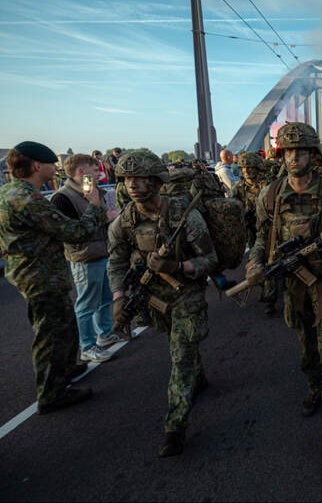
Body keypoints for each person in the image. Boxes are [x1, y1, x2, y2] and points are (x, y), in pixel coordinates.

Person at [247, 122, 322, 474]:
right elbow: (259, 238)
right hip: (293, 289)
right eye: (288, 151)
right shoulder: (268, 196)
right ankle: (313, 388)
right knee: (306, 353)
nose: (294, 157)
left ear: (313, 155)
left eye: (301, 151)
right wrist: (255, 263)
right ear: (280, 155)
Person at [0, 141, 107, 414]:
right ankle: (51, 394)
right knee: (50, 332)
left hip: (28, 272)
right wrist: (95, 207)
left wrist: (8, 248)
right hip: (42, 276)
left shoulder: (3, 194)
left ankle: (65, 369)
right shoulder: (30, 199)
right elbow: (75, 233)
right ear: (37, 166)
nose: (55, 168)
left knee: (64, 324)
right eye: (51, 164)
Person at [107, 150, 218, 458]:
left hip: (185, 292)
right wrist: (118, 298)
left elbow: (210, 259)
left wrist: (178, 268)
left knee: (180, 354)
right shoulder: (124, 221)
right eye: (128, 179)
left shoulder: (184, 215)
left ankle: (175, 427)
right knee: (176, 341)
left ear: (156, 181)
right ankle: (199, 376)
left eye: (139, 178)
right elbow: (115, 262)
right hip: (154, 298)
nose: (132, 185)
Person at [51, 154, 121, 364]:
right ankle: (87, 345)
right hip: (84, 257)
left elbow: (99, 220)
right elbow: (73, 232)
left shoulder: (91, 192)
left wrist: (108, 216)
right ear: (80, 171)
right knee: (87, 303)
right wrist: (102, 215)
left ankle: (104, 334)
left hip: (101, 251)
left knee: (104, 298)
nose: (98, 173)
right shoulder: (62, 198)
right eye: (93, 170)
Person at [230, 152, 277, 315]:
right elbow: (232, 208)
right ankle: (265, 289)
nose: (247, 171)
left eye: (250, 167)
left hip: (269, 227)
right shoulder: (238, 187)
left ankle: (269, 297)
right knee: (256, 260)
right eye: (244, 168)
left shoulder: (268, 184)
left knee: (271, 258)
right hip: (251, 229)